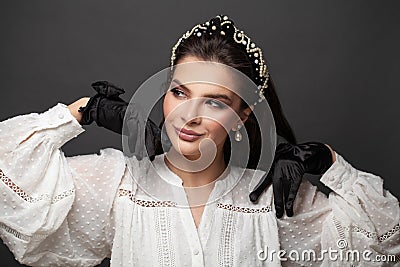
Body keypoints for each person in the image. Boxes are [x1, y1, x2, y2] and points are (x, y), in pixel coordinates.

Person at [0, 14, 399, 267]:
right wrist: (83, 111)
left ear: (244, 114)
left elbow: (385, 244)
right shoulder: (117, 184)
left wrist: (328, 163)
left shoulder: (271, 199)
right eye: (179, 92)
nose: (189, 116)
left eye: (215, 102)